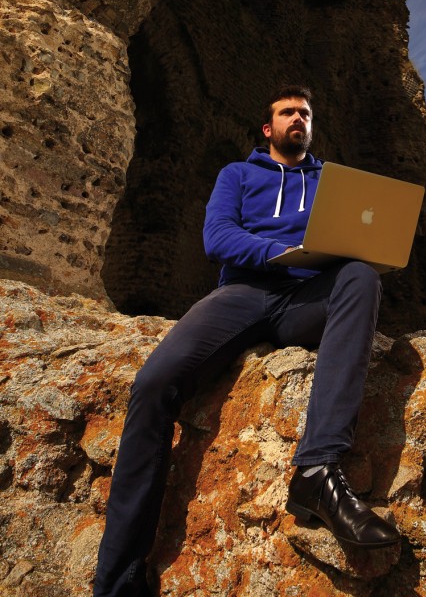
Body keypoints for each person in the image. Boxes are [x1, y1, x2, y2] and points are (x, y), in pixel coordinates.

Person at [93, 84, 400, 597]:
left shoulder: (333, 182)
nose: (297, 119)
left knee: (363, 275)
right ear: (268, 128)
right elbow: (218, 237)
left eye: (305, 113)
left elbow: (359, 245)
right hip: (244, 292)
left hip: (309, 299)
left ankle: (318, 470)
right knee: (152, 386)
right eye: (287, 113)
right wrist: (281, 251)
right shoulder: (237, 174)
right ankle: (118, 580)